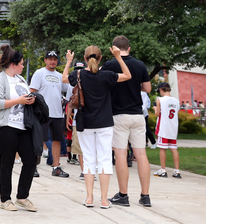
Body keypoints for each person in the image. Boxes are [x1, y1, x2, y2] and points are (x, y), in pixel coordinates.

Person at [62, 45, 132, 209]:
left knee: (89, 160)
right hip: (104, 123)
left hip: (85, 123)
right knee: (105, 160)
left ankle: (89, 198)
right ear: (100, 58)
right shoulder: (106, 76)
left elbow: (65, 77)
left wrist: (69, 61)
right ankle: (104, 200)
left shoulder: (78, 74)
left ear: (85, 59)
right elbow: (128, 75)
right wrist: (118, 57)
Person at [102, 35, 152, 208]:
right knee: (141, 155)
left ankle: (123, 195)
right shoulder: (140, 65)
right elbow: (147, 88)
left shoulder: (109, 65)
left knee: (121, 154)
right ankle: (145, 196)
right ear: (128, 48)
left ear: (113, 48)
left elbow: (102, 84)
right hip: (137, 114)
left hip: (118, 114)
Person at [0, 44, 38, 213]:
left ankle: (22, 197)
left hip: (24, 127)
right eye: (22, 63)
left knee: (31, 160)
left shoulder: (21, 80)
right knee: (7, 163)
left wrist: (29, 100)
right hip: (5, 127)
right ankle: (5, 199)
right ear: (13, 64)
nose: (23, 66)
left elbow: (23, 98)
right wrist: (19, 101)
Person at [30, 50, 69, 178]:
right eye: (50, 59)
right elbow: (32, 92)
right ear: (45, 60)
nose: (52, 61)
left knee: (57, 139)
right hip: (42, 113)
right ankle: (33, 166)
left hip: (57, 113)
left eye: (55, 59)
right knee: (38, 140)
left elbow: (67, 89)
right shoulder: (39, 73)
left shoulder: (59, 76)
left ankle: (56, 166)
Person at [153, 82, 182, 178]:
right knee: (174, 148)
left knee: (163, 148)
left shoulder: (160, 100)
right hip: (173, 128)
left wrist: (155, 108)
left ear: (161, 90)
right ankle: (177, 171)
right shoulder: (176, 101)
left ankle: (163, 170)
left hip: (163, 127)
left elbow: (157, 114)